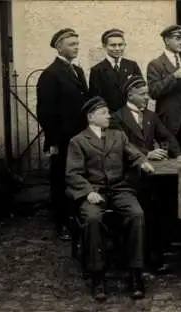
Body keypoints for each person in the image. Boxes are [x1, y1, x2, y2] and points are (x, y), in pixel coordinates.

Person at [66, 96, 155, 301]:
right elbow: (72, 174)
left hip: (119, 189)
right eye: (103, 113)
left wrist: (142, 162)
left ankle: (135, 274)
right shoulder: (78, 141)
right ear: (91, 117)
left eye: (107, 112)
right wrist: (88, 192)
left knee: (136, 214)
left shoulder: (118, 135)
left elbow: (133, 154)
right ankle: (98, 276)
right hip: (93, 191)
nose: (108, 116)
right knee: (93, 219)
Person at [110, 75, 181, 273]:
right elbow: (120, 147)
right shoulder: (117, 117)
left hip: (151, 177)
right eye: (143, 94)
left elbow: (167, 136)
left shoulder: (151, 116)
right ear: (130, 94)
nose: (147, 98)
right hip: (129, 177)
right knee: (142, 212)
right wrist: (146, 154)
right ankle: (137, 258)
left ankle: (156, 256)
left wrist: (178, 155)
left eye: (147, 94)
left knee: (161, 208)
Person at [36, 28, 90, 241]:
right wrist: (53, 141)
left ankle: (78, 218)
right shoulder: (50, 74)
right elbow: (45, 113)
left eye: (77, 43)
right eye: (71, 44)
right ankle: (62, 224)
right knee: (61, 180)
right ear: (59, 47)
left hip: (80, 137)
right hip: (63, 139)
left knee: (79, 177)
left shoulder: (77, 71)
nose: (76, 47)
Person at [147, 25, 181, 148]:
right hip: (168, 118)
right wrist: (173, 76)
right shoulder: (155, 64)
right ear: (167, 41)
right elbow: (153, 91)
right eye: (177, 38)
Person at [89, 28, 142, 112]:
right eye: (113, 45)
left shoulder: (132, 66)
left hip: (131, 114)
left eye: (120, 45)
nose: (117, 48)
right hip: (111, 117)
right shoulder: (97, 70)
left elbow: (140, 91)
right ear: (104, 46)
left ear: (125, 45)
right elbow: (96, 99)